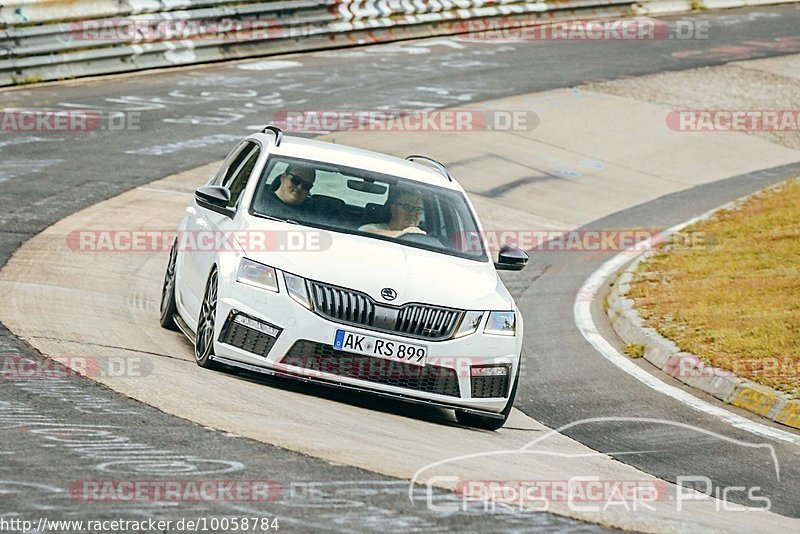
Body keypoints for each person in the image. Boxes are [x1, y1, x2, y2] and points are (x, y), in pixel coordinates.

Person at [359, 187, 426, 238]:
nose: (413, 213)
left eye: (418, 209)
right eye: (407, 207)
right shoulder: (375, 228)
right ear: (393, 209)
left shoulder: (424, 237)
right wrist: (404, 233)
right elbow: (364, 232)